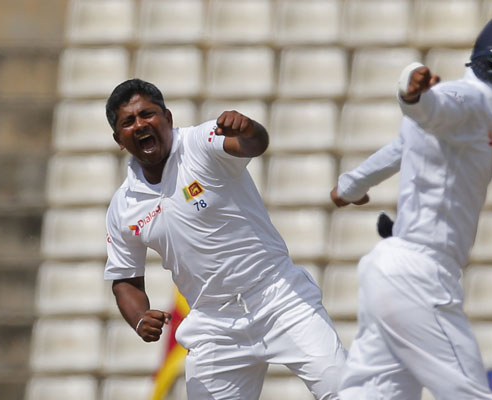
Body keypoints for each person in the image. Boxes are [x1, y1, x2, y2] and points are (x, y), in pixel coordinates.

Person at [330, 9, 492, 400]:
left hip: (388, 270)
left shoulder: (484, 112)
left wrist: (350, 186)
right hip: (420, 276)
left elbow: (402, 146)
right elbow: (433, 108)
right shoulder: (471, 101)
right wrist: (412, 92)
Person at [103, 78, 346, 400]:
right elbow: (125, 279)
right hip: (213, 323)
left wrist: (248, 129)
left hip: (279, 298)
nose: (140, 125)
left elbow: (253, 145)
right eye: (128, 122)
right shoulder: (124, 206)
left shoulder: (200, 142)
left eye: (147, 114)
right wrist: (138, 319)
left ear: (168, 118)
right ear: (119, 139)